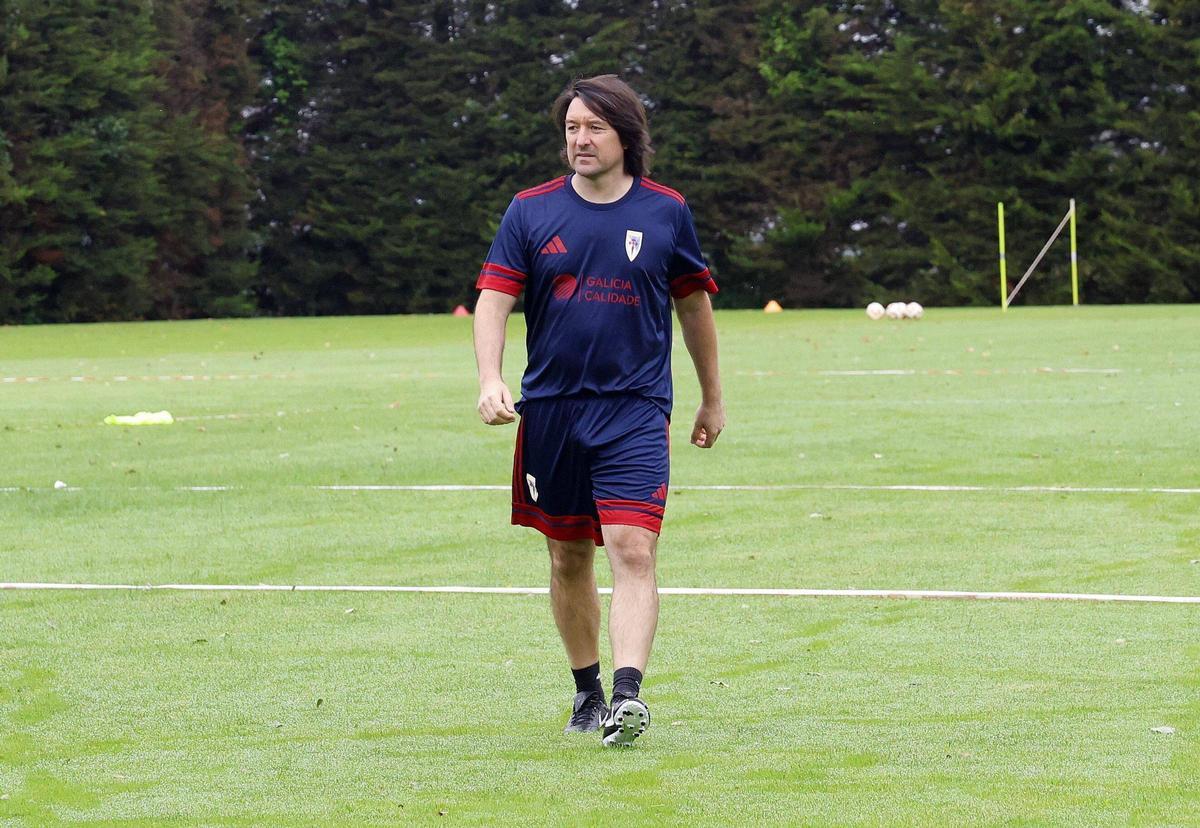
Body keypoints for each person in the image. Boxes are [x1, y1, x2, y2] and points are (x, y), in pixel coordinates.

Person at [473, 74, 724, 748]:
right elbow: (494, 298)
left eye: (594, 128)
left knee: (632, 546)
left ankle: (627, 695)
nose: (580, 140)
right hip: (551, 411)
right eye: (571, 128)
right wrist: (490, 378)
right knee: (567, 559)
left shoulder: (666, 211)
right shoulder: (529, 210)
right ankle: (586, 690)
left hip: (636, 410)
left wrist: (712, 395)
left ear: (626, 136)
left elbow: (694, 305)